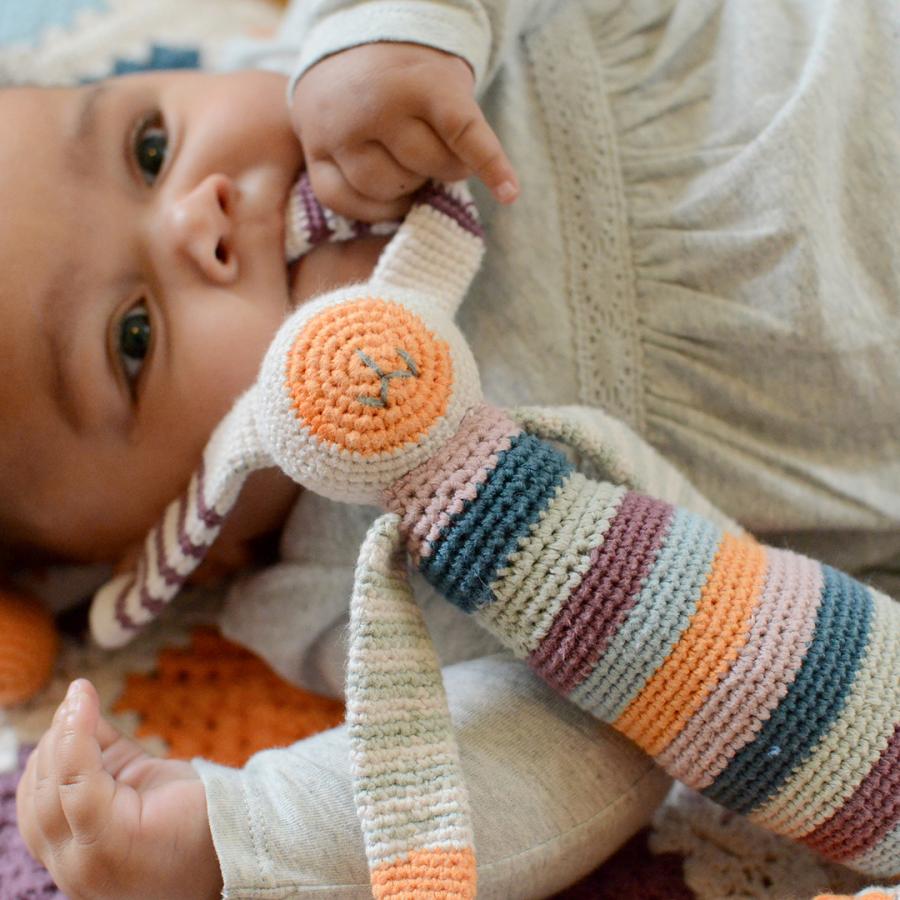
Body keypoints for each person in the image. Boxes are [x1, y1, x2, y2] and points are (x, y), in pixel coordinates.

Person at [9, 0, 900, 896]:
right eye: (133, 339)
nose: (199, 214)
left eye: (150, 149)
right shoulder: (351, 582)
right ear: (165, 553)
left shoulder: (360, 76)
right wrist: (241, 841)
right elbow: (543, 760)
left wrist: (388, 37)